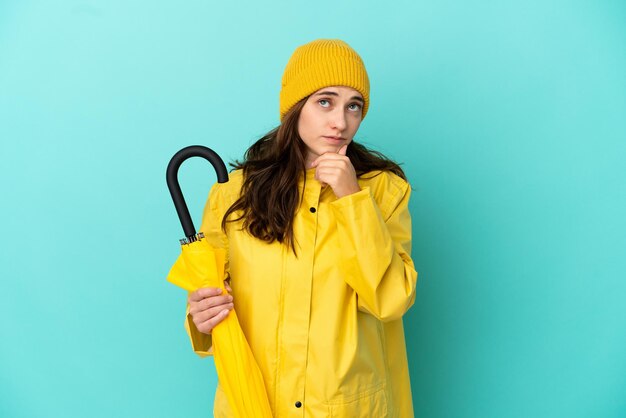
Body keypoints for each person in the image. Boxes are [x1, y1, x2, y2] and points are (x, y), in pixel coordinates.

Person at [184, 39, 418, 417]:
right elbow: (211, 297)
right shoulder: (233, 195)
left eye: (353, 106)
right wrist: (200, 317)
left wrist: (351, 198)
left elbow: (390, 300)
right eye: (325, 101)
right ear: (295, 107)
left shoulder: (384, 191)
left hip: (346, 407)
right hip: (255, 403)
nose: (340, 122)